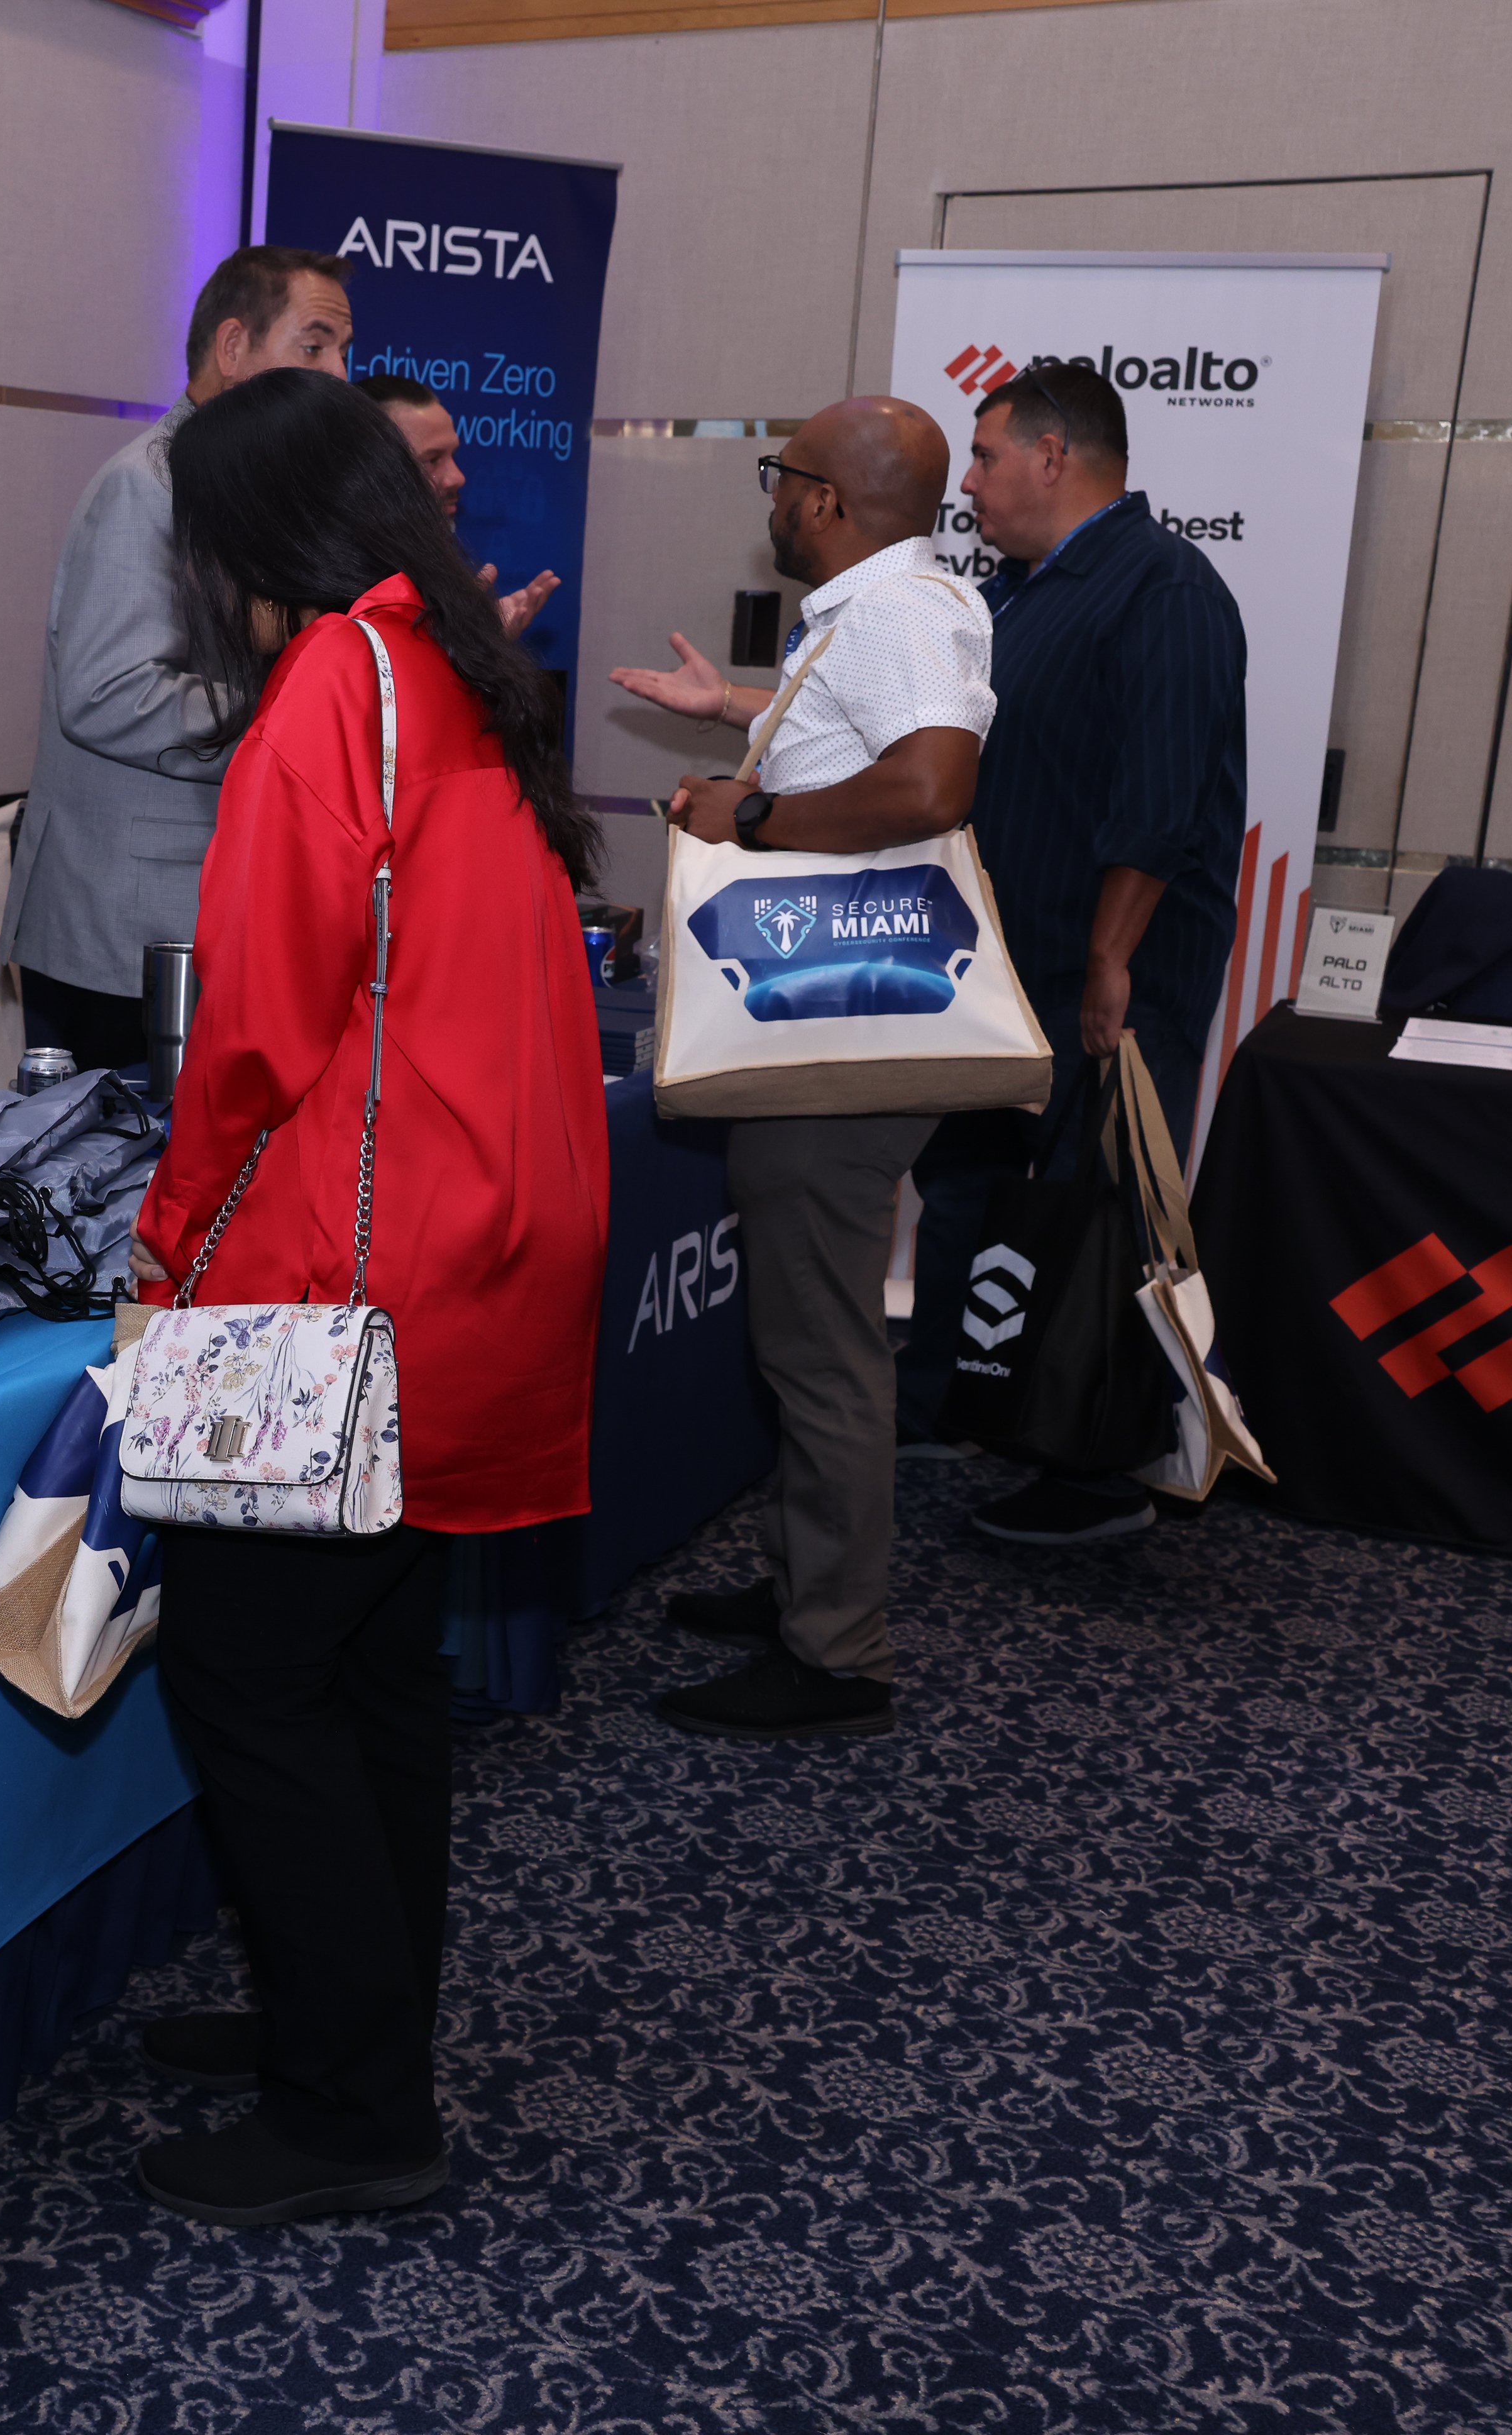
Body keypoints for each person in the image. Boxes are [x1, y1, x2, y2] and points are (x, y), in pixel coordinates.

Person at [128, 369, 610, 2226]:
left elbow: (255, 1024)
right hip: (478, 1249)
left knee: (252, 1675)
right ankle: (347, 2020)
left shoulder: (336, 680)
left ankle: (349, 2105)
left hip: (342, 1277)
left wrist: (165, 1238)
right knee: (371, 1674)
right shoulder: (462, 670)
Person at [608, 397, 996, 1740]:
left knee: (823, 1347)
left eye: (782, 475)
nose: (771, 497)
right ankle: (799, 1589)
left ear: (827, 500)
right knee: (802, 1331)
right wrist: (739, 721)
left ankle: (836, 1653)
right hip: (829, 1020)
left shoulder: (898, 611)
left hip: (846, 1038)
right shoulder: (875, 609)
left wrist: (756, 814)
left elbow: (933, 784)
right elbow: (864, 745)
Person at [897, 360, 1246, 1545]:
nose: (969, 481)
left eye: (986, 455)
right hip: (1001, 965)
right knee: (969, 1184)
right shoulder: (1017, 594)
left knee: (1102, 1219)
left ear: (1053, 457)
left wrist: (1109, 963)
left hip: (1107, 975)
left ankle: (1097, 1468)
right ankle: (949, 1398)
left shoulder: (1165, 588)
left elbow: (1158, 801)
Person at [1, 245, 353, 1076]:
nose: (339, 375)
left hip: (198, 920)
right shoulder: (150, 487)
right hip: (127, 934)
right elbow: (106, 693)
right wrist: (285, 721)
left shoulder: (245, 488)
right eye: (314, 346)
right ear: (233, 347)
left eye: (344, 351)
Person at [355, 372, 558, 636]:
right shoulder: (341, 591)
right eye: (432, 460)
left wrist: (479, 645)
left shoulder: (429, 577)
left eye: (453, 455)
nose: (458, 478)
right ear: (370, 471)